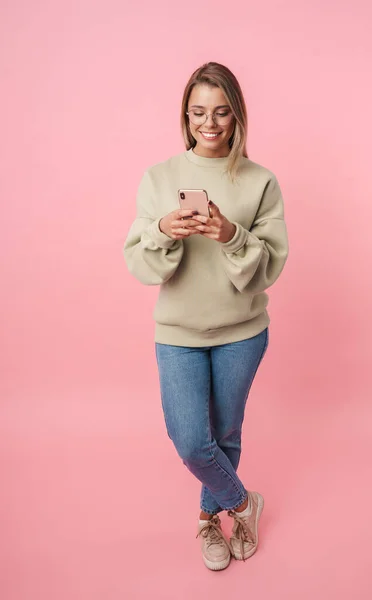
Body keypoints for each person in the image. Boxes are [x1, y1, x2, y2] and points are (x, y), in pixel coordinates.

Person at [123, 61, 289, 571]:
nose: (209, 123)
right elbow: (138, 262)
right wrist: (164, 230)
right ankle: (244, 504)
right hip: (178, 333)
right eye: (198, 112)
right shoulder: (160, 177)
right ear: (186, 115)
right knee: (193, 440)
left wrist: (231, 235)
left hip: (242, 331)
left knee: (227, 434)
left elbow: (272, 264)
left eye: (221, 112)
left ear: (237, 115)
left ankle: (208, 522)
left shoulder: (260, 181)